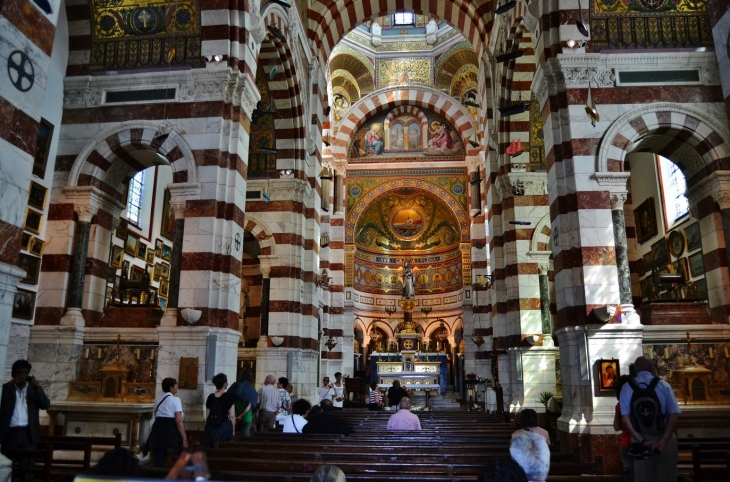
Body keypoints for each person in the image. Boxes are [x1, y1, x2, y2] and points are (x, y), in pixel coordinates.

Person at [620, 356, 680, 482]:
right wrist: (662, 441)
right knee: (666, 477)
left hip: (640, 439)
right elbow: (674, 415)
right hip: (665, 438)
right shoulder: (664, 385)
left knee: (643, 477)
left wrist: (641, 441)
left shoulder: (626, 388)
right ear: (652, 368)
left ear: (636, 370)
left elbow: (625, 419)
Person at [0, 360, 51, 465]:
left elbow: (46, 405)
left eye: (25, 373)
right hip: (9, 434)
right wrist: (10, 384)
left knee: (28, 468)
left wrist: (38, 388)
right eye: (20, 373)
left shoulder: (33, 390)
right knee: (7, 467)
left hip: (28, 434)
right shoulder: (5, 388)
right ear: (13, 374)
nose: (23, 376)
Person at [145, 377, 188, 468]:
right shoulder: (176, 400)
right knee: (174, 458)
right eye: (176, 385)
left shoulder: (158, 399)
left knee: (159, 459)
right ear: (171, 388)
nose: (177, 387)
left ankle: (157, 478)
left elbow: (156, 414)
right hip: (170, 431)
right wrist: (184, 438)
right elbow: (178, 420)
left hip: (157, 429)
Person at [202, 373, 236, 448]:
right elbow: (232, 416)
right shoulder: (229, 397)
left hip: (211, 428)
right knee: (223, 449)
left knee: (210, 449)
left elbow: (207, 415)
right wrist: (233, 430)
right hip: (224, 427)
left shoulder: (210, 397)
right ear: (224, 384)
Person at [613, 374, 634, 480]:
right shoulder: (638, 402)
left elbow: (616, 426)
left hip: (626, 442)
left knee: (628, 472)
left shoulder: (620, 404)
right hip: (639, 442)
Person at [228, 367, 257, 439]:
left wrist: (235, 416)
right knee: (244, 438)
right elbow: (250, 405)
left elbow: (228, 398)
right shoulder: (252, 389)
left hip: (233, 414)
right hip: (246, 416)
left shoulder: (235, 385)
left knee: (231, 436)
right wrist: (241, 416)